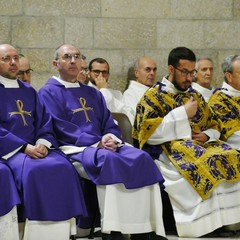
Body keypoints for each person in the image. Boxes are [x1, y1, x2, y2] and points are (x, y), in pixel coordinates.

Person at [38, 44, 167, 240]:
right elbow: (60, 127)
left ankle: (146, 228)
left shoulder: (92, 93)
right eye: (67, 57)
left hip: (102, 144)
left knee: (143, 158)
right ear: (56, 63)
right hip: (74, 148)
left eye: (76, 56)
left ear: (82, 62)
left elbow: (108, 121)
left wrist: (110, 137)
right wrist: (97, 142)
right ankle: (113, 230)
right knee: (109, 161)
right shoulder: (48, 92)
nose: (73, 60)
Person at [133, 46, 240, 238]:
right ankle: (202, 226)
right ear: (171, 69)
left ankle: (227, 222)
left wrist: (207, 134)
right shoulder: (153, 96)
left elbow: (215, 123)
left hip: (199, 144)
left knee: (230, 155)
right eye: (184, 72)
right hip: (167, 149)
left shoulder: (195, 95)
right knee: (205, 161)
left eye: (192, 73)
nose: (189, 78)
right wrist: (182, 114)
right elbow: (147, 133)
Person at [0, 44, 87, 240]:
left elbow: (44, 121)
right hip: (12, 151)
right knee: (35, 170)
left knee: (63, 166)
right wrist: (24, 147)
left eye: (15, 58)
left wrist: (43, 142)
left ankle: (62, 233)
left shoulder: (29, 91)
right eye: (6, 59)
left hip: (36, 148)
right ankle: (36, 234)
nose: (13, 63)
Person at [123, 56, 157, 125]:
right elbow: (136, 122)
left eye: (154, 70)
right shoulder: (130, 95)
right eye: (148, 69)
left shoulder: (158, 91)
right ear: (136, 73)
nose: (152, 73)